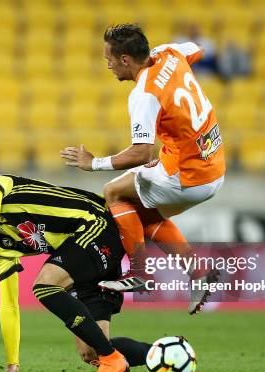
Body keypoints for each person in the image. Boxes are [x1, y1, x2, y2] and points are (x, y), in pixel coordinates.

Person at [0, 175, 154, 372]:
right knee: (91, 350)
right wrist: (13, 361)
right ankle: (164, 354)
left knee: (45, 285)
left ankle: (112, 359)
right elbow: (9, 305)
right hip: (80, 251)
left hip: (95, 221)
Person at [60, 24, 225, 314]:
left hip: (188, 174)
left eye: (109, 58)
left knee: (113, 192)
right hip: (212, 164)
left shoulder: (143, 94)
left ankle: (139, 274)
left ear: (125, 59)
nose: (108, 65)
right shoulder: (169, 52)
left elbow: (140, 152)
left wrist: (93, 163)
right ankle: (197, 272)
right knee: (140, 212)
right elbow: (198, 49)